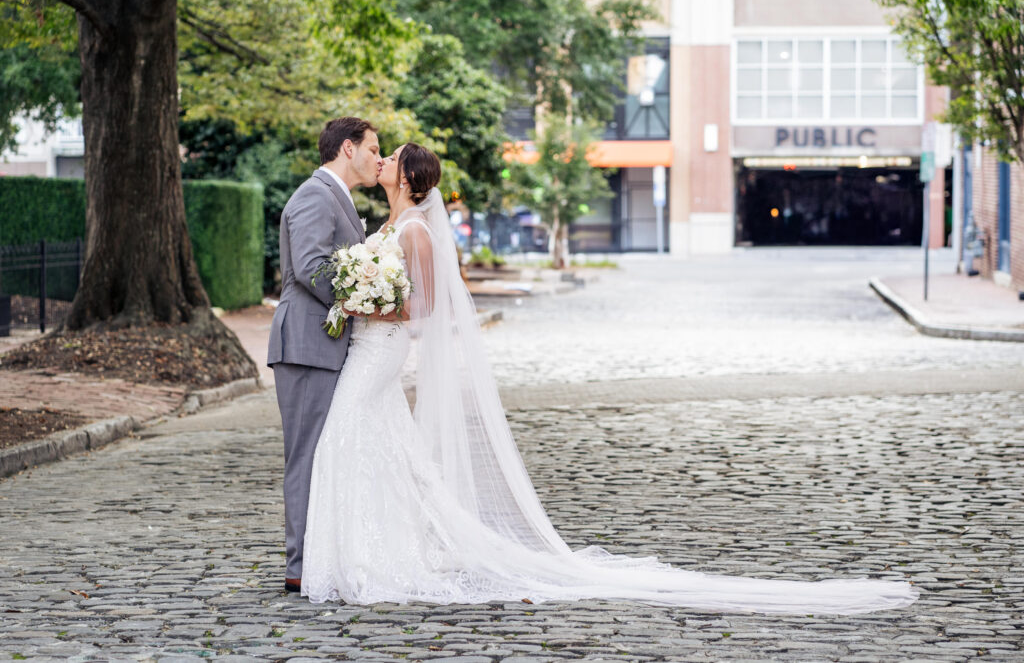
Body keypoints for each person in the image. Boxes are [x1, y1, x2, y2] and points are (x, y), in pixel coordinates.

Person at [300, 143, 918, 614]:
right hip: (367, 349)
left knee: (352, 437)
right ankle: (372, 548)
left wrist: (364, 305)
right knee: (374, 445)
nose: (381, 161)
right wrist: (360, 297)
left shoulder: (413, 231)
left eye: (391, 159)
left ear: (406, 179)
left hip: (378, 349)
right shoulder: (387, 225)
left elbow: (423, 308)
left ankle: (377, 555)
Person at [267, 117, 380, 593]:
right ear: (348, 149)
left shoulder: (339, 197)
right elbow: (312, 266)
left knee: (325, 453)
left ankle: (319, 557)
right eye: (374, 149)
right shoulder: (316, 194)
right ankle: (299, 566)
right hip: (309, 344)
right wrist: (365, 303)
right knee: (307, 455)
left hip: (325, 343)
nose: (379, 158)